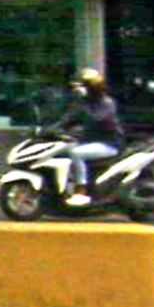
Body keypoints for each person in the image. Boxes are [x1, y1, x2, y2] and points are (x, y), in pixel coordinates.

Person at [44, 68, 125, 206]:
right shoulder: (84, 103)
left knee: (76, 153)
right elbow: (67, 119)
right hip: (89, 141)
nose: (78, 89)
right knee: (59, 149)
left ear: (92, 88)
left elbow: (96, 118)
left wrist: (82, 103)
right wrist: (48, 130)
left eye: (82, 86)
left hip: (109, 144)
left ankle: (81, 191)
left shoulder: (107, 103)